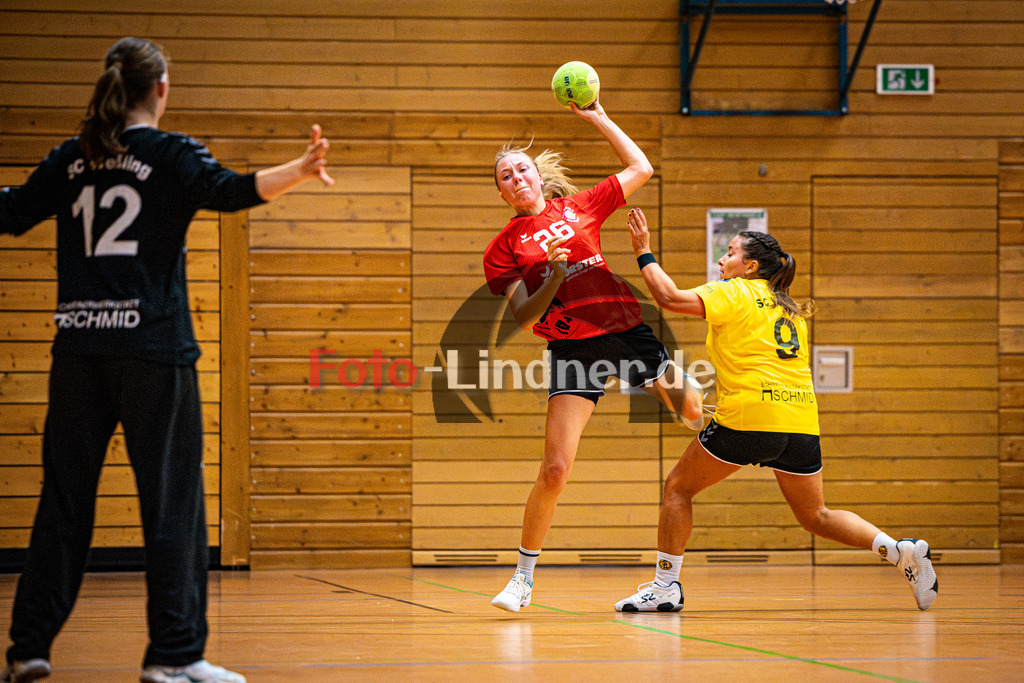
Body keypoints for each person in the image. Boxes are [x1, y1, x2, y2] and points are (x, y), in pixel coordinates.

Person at [0, 37, 333, 683]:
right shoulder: (169, 153)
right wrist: (299, 166)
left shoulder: (73, 159)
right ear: (161, 89)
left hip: (78, 353)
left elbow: (9, 213)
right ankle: (174, 655)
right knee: (172, 505)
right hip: (153, 350)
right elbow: (231, 192)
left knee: (63, 503)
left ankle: (27, 649)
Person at [612, 209, 938, 613]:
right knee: (816, 515)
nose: (721, 261)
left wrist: (643, 251)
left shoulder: (735, 290)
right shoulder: (790, 310)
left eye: (728, 253)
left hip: (750, 418)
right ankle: (898, 550)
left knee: (678, 489)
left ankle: (664, 586)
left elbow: (669, 298)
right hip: (800, 422)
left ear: (749, 266)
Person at [482, 98, 704, 613]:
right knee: (555, 469)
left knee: (694, 411)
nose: (516, 178)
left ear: (538, 177)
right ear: (501, 192)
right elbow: (521, 316)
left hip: (627, 329)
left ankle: (702, 412)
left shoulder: (579, 206)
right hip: (573, 347)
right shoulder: (503, 246)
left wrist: (597, 117)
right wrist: (555, 274)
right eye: (505, 176)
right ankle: (522, 578)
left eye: (522, 170)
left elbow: (641, 168)